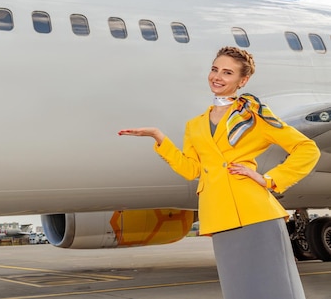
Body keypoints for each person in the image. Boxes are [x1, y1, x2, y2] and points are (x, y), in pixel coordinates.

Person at [118, 46, 320, 299]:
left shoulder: (254, 116)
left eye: (227, 72)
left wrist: (270, 179)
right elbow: (192, 169)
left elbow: (307, 148)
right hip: (219, 215)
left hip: (256, 213)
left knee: (276, 289)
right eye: (215, 69)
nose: (217, 77)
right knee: (240, 290)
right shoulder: (195, 125)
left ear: (242, 80)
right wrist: (160, 139)